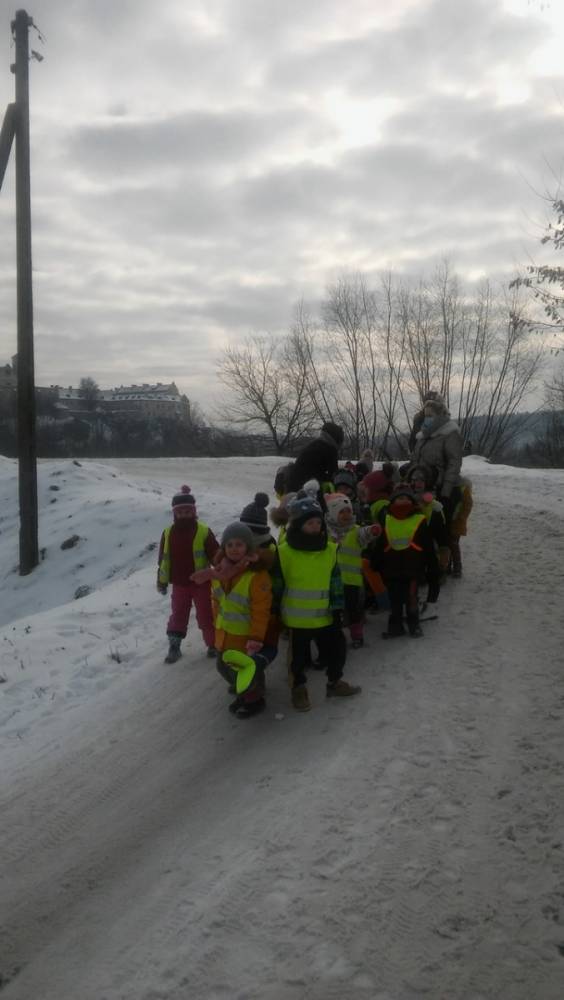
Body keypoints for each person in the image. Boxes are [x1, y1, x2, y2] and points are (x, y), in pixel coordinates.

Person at [275, 494, 361, 712]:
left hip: (325, 615)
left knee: (337, 649)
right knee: (298, 659)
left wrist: (338, 607)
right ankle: (298, 688)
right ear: (298, 525)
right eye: (309, 523)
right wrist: (275, 611)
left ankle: (334, 682)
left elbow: (335, 581)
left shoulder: (329, 550)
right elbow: (276, 583)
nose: (315, 527)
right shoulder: (284, 552)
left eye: (317, 522)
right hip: (297, 619)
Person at [193, 522, 277, 719]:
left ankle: (254, 698)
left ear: (248, 547)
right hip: (225, 632)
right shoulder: (219, 572)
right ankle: (245, 690)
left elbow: (261, 610)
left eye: (239, 544)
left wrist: (256, 637)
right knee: (224, 667)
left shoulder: (256, 576)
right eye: (229, 545)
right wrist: (216, 624)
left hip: (245, 636)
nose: (234, 549)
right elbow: (216, 601)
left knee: (242, 668)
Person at [157, 485, 219, 663]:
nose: (184, 515)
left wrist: (223, 569)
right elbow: (163, 559)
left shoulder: (203, 531)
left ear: (194, 512)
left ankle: (213, 645)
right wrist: (161, 580)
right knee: (178, 614)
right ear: (174, 513)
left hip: (201, 582)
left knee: (206, 614)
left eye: (188, 511)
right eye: (180, 512)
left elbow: (215, 554)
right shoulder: (168, 533)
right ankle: (174, 646)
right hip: (179, 583)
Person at [367, 484, 439, 638]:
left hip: (413, 568)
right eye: (400, 498)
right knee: (395, 600)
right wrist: (375, 562)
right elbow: (381, 543)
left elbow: (427, 546)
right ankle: (395, 627)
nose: (403, 501)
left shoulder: (419, 520)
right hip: (391, 569)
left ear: (412, 502)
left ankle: (414, 624)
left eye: (407, 498)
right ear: (393, 502)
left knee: (411, 598)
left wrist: (432, 567)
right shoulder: (387, 520)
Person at [325, 493, 381, 649]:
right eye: (341, 512)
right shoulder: (327, 532)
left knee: (353, 608)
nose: (346, 515)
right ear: (333, 513)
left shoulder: (355, 531)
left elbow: (365, 533)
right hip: (331, 580)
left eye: (348, 511)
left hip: (351, 580)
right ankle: (335, 636)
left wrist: (372, 530)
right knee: (333, 610)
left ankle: (357, 634)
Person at [411, 397, 463, 527]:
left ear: (440, 416)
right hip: (424, 486)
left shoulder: (450, 434)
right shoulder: (423, 436)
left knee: (441, 527)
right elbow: (415, 460)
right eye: (425, 415)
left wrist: (446, 492)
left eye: (430, 415)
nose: (427, 418)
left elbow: (454, 464)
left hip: (442, 489)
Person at [285, 422, 344, 493]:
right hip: (306, 488)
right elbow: (334, 474)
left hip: (292, 486)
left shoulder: (315, 444)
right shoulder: (331, 449)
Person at [448, 475, 473, 577]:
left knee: (453, 544)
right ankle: (448, 565)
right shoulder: (447, 486)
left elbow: (468, 505)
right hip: (449, 520)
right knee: (448, 544)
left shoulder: (463, 488)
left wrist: (461, 517)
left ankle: (457, 567)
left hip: (457, 521)